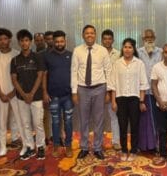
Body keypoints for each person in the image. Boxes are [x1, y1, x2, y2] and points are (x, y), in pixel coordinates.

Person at [71, 24, 112, 160]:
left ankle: (97, 148)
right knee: (84, 120)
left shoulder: (102, 51)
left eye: (92, 33)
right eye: (87, 33)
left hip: (100, 88)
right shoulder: (77, 51)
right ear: (83, 35)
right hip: (82, 89)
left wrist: (108, 91)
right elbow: (74, 72)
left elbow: (108, 71)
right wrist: (74, 92)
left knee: (99, 120)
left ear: (95, 35)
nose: (89, 35)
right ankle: (84, 147)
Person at [109, 38, 149, 161]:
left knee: (134, 126)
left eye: (130, 47)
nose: (127, 49)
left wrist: (141, 101)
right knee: (122, 126)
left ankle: (133, 150)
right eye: (125, 47)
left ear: (133, 49)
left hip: (134, 99)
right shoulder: (117, 63)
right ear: (122, 48)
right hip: (120, 99)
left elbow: (143, 84)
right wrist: (113, 101)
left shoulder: (139, 63)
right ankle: (124, 150)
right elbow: (113, 84)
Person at [11, 29, 47, 160]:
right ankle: (30, 147)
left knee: (38, 123)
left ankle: (41, 146)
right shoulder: (15, 60)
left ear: (30, 42)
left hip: (36, 97)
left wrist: (31, 94)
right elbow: (14, 79)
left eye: (26, 40)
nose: (24, 43)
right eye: (22, 41)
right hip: (21, 98)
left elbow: (40, 75)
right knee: (26, 123)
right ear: (19, 42)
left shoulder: (38, 57)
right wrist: (24, 94)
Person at [43, 30, 74, 158]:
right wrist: (45, 92)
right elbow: (44, 75)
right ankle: (56, 146)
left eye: (61, 41)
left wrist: (75, 92)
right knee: (55, 122)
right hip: (53, 96)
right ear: (53, 42)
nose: (59, 44)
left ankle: (68, 145)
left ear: (65, 41)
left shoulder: (71, 55)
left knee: (68, 122)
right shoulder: (47, 56)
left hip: (68, 96)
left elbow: (75, 74)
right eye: (57, 41)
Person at [0, 28, 21, 156]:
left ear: (10, 40)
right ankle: (2, 146)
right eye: (0, 39)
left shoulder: (17, 54)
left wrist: (14, 91)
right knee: (1, 120)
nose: (3, 41)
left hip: (15, 92)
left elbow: (20, 76)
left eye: (5, 39)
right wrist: (0, 93)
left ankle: (19, 140)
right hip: (1, 93)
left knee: (18, 118)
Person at [137, 29, 163, 152]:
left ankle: (154, 146)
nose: (149, 40)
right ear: (143, 39)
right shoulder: (138, 52)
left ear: (155, 38)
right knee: (142, 121)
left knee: (155, 120)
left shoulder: (161, 52)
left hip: (156, 92)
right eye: (147, 38)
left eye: (151, 37)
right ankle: (142, 146)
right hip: (141, 92)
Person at [101, 29, 121, 150]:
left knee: (114, 116)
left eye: (109, 39)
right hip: (99, 89)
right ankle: (99, 142)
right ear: (102, 40)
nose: (107, 41)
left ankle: (116, 141)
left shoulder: (118, 54)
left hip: (114, 90)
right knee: (99, 118)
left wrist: (110, 92)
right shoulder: (97, 53)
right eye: (105, 39)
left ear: (113, 40)